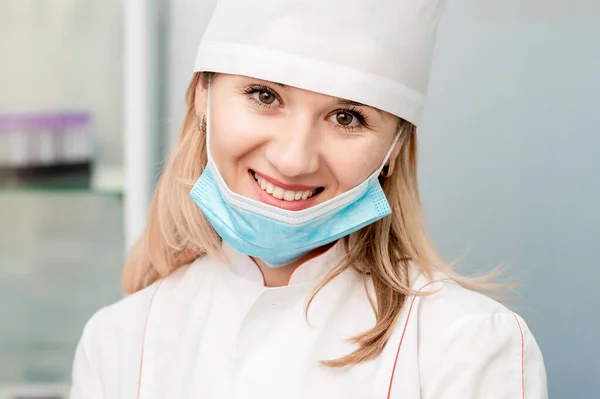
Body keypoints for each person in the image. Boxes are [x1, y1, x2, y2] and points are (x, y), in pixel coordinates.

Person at [70, 0, 548, 397]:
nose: (294, 159)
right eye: (263, 95)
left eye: (347, 118)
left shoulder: (467, 347)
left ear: (394, 147)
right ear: (203, 96)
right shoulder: (118, 342)